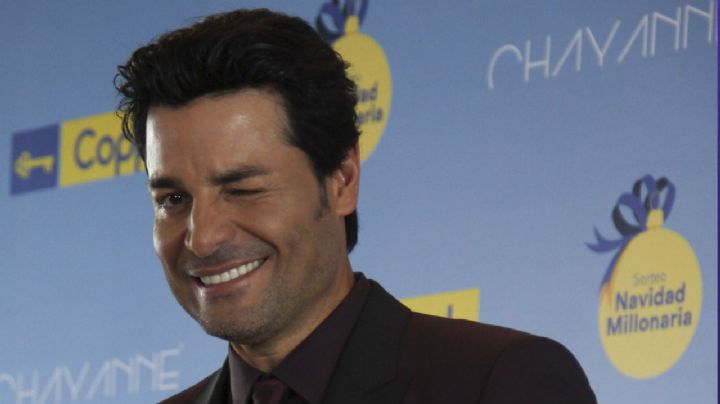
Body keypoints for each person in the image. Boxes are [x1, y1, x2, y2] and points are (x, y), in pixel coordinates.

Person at [115, 8, 597, 404]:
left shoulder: (499, 381)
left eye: (242, 189)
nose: (202, 238)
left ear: (342, 180)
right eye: (173, 199)